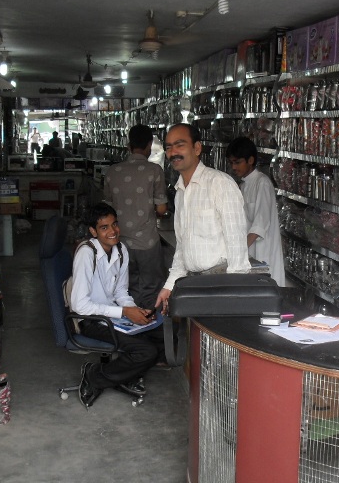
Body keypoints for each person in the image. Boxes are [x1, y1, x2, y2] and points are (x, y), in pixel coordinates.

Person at [155, 123, 251, 312]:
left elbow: (237, 247)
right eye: (168, 147)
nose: (173, 152)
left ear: (197, 148)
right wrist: (169, 285)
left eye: (179, 145)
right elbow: (182, 248)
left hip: (220, 286)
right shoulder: (181, 192)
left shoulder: (220, 184)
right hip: (194, 285)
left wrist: (233, 300)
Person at [71, 202, 159, 407]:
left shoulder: (120, 250)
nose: (113, 231)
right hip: (91, 320)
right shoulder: (86, 253)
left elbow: (120, 291)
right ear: (93, 231)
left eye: (114, 224)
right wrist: (124, 312)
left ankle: (122, 375)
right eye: (104, 227)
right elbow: (79, 305)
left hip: (112, 315)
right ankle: (95, 375)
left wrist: (134, 311)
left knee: (163, 337)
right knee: (147, 352)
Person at [103, 124, 168, 309]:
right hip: (147, 242)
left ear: (128, 145)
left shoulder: (112, 172)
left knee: (124, 289)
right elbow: (162, 209)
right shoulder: (154, 171)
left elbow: (106, 209)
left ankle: (131, 326)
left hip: (119, 241)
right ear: (149, 145)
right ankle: (150, 325)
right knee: (151, 287)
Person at [227, 136, 286, 287]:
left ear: (251, 160)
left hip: (264, 252)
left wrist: (238, 250)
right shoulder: (243, 185)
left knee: (267, 295)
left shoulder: (262, 183)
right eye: (232, 162)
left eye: (238, 162)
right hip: (251, 253)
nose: (234, 167)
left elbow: (260, 224)